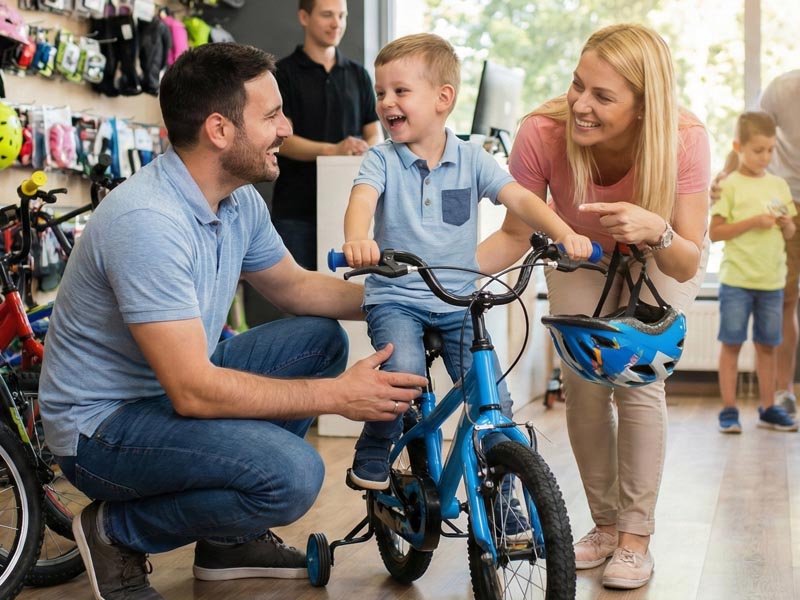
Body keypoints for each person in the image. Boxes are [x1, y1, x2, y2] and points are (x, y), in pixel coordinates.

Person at [37, 43, 427, 600]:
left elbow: (294, 287)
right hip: (104, 431)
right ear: (219, 129)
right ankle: (115, 533)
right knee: (292, 476)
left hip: (166, 393)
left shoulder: (237, 201)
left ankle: (229, 542)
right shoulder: (149, 222)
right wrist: (338, 397)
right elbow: (194, 391)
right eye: (271, 116)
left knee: (317, 339)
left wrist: (410, 296)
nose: (287, 129)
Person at [477, 24, 710, 589]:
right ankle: (604, 525)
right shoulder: (542, 131)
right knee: (583, 385)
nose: (580, 104)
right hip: (581, 257)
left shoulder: (683, 138)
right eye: (578, 85)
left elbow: (686, 261)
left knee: (636, 380)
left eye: (603, 96)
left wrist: (655, 231)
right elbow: (513, 233)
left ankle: (635, 536)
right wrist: (442, 276)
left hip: (657, 254)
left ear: (642, 106)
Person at [340, 33, 593, 492]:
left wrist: (564, 233)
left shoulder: (471, 159)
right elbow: (362, 201)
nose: (386, 102)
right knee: (406, 375)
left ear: (443, 98)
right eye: (381, 93)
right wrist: (358, 239)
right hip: (397, 297)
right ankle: (376, 442)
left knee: (494, 400)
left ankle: (507, 504)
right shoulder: (382, 160)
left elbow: (518, 197)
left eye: (400, 91)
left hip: (457, 300)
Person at [712, 70, 800, 416]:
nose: (765, 153)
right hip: (787, 196)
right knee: (786, 301)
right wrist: (725, 179)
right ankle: (781, 392)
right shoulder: (783, 90)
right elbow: (749, 135)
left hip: (782, 200)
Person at [271, 0, 383, 270]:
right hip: (296, 210)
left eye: (342, 16)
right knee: (298, 296)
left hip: (345, 208)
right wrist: (335, 150)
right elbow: (282, 140)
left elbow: (374, 133)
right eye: (327, 15)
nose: (337, 24)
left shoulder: (358, 75)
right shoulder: (282, 74)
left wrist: (366, 149)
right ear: (304, 17)